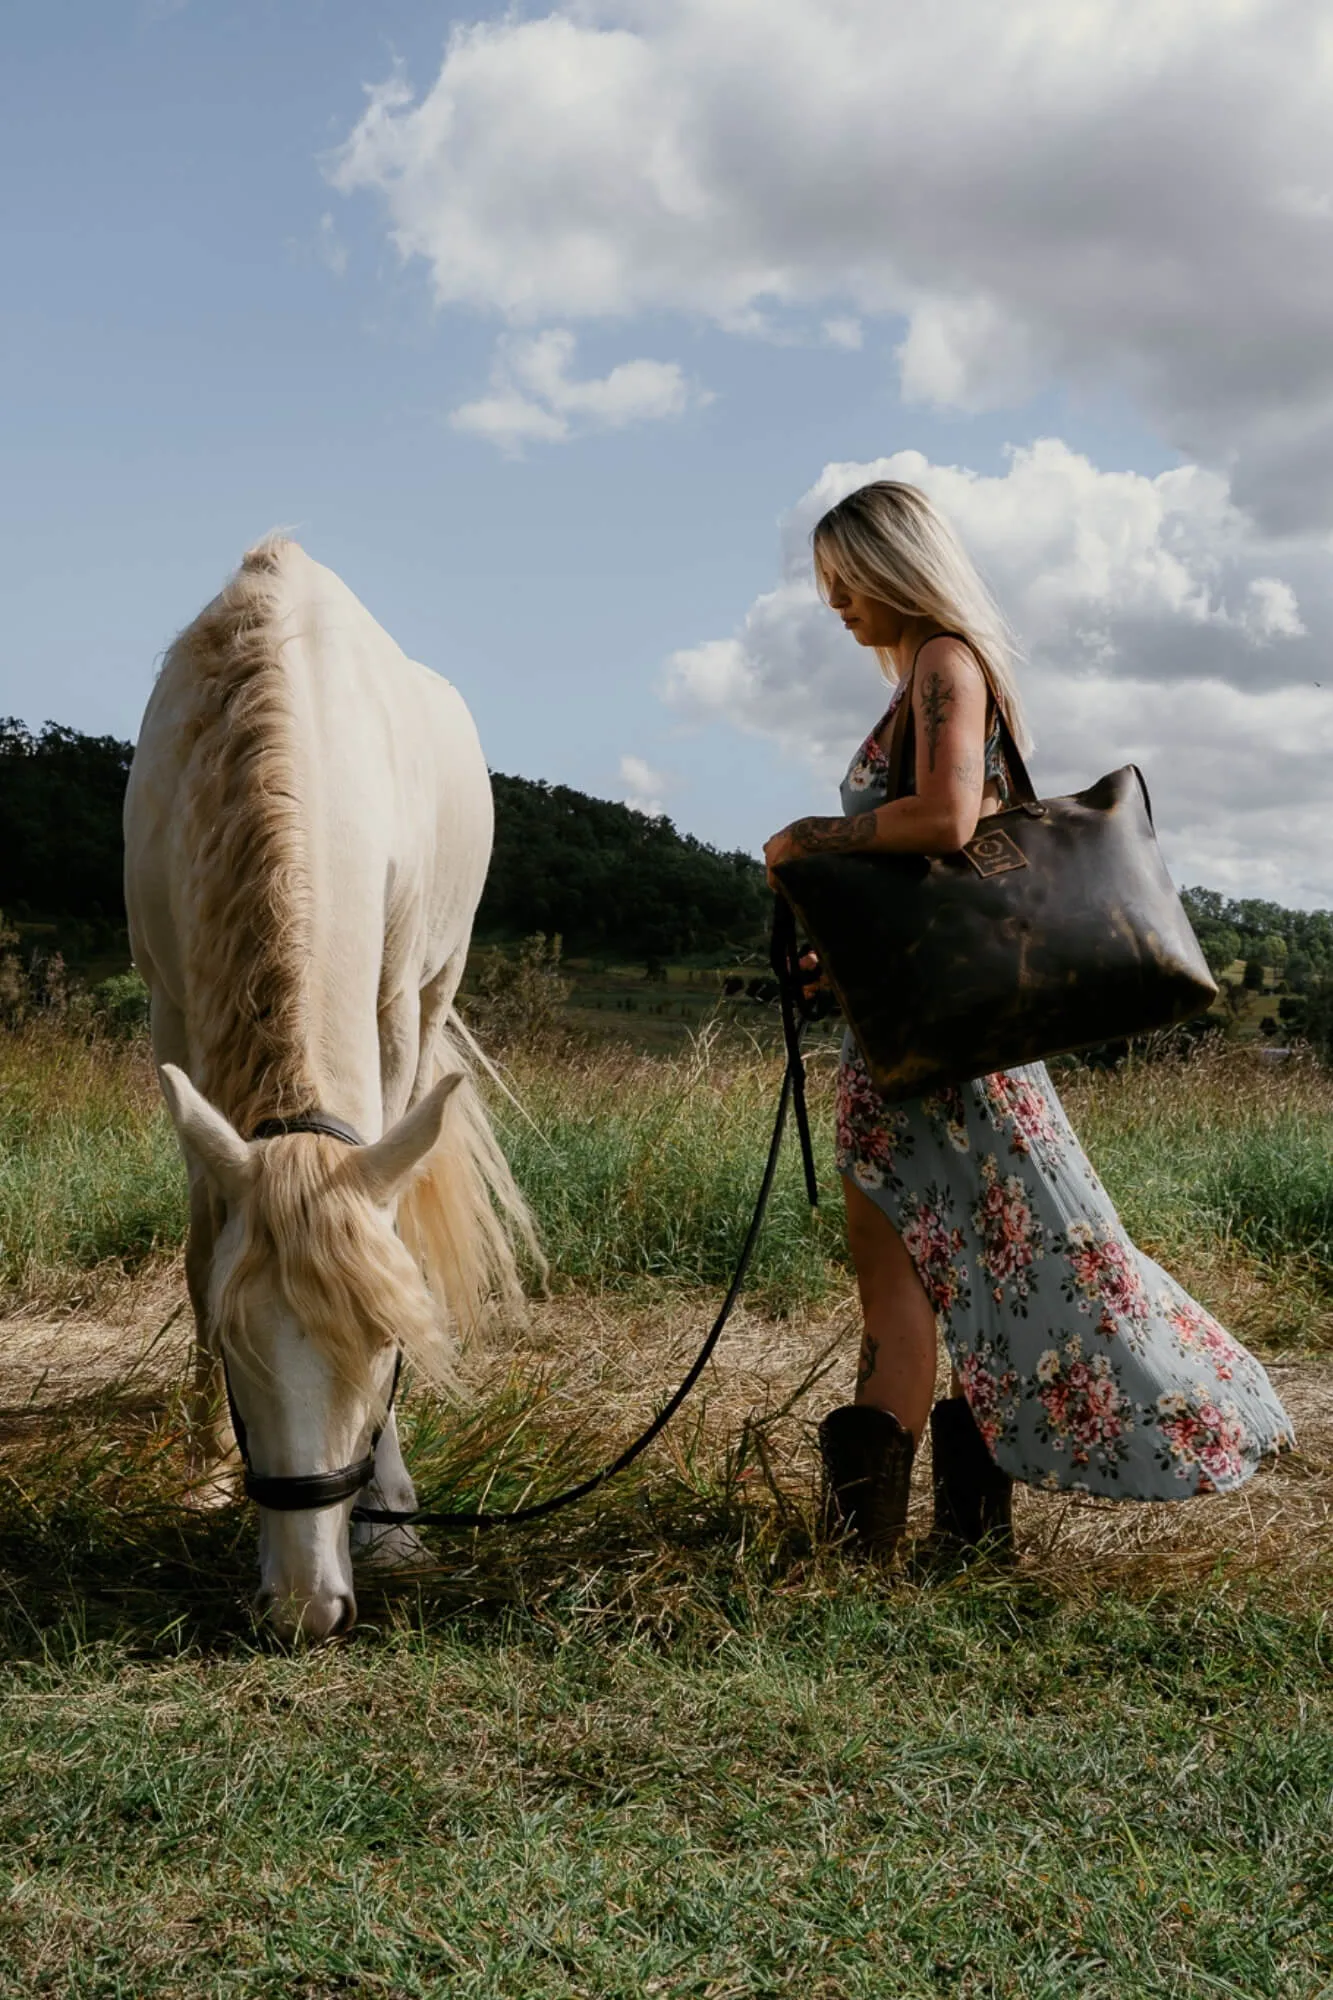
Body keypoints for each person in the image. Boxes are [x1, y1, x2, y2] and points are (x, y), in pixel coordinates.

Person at [763, 481, 1294, 1563]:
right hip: (933, 1040)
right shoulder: (932, 671)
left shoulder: (944, 662)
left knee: (911, 1278)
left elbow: (951, 820)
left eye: (841, 579)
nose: (833, 605)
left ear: (889, 564)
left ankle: (867, 1551)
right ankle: (950, 1546)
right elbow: (937, 876)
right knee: (955, 1276)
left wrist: (805, 838)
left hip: (944, 1055)